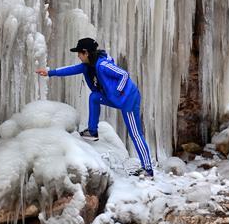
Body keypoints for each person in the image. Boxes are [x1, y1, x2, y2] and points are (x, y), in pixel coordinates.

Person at [36, 37, 154, 177]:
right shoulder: (88, 66)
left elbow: (123, 74)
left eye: (79, 53)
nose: (78, 56)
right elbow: (70, 69)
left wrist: (117, 92)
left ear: (86, 53)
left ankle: (148, 169)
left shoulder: (103, 65)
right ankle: (93, 131)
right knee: (94, 97)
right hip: (114, 98)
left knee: (135, 134)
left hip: (128, 99)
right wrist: (50, 72)